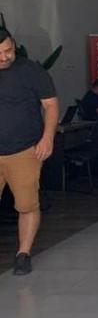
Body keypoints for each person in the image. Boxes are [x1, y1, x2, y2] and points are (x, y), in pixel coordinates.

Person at [0, 26, 59, 276]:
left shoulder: (31, 71)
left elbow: (51, 105)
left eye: (8, 50)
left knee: (26, 205)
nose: (4, 57)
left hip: (23, 151)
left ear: (13, 44)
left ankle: (23, 254)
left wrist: (47, 138)